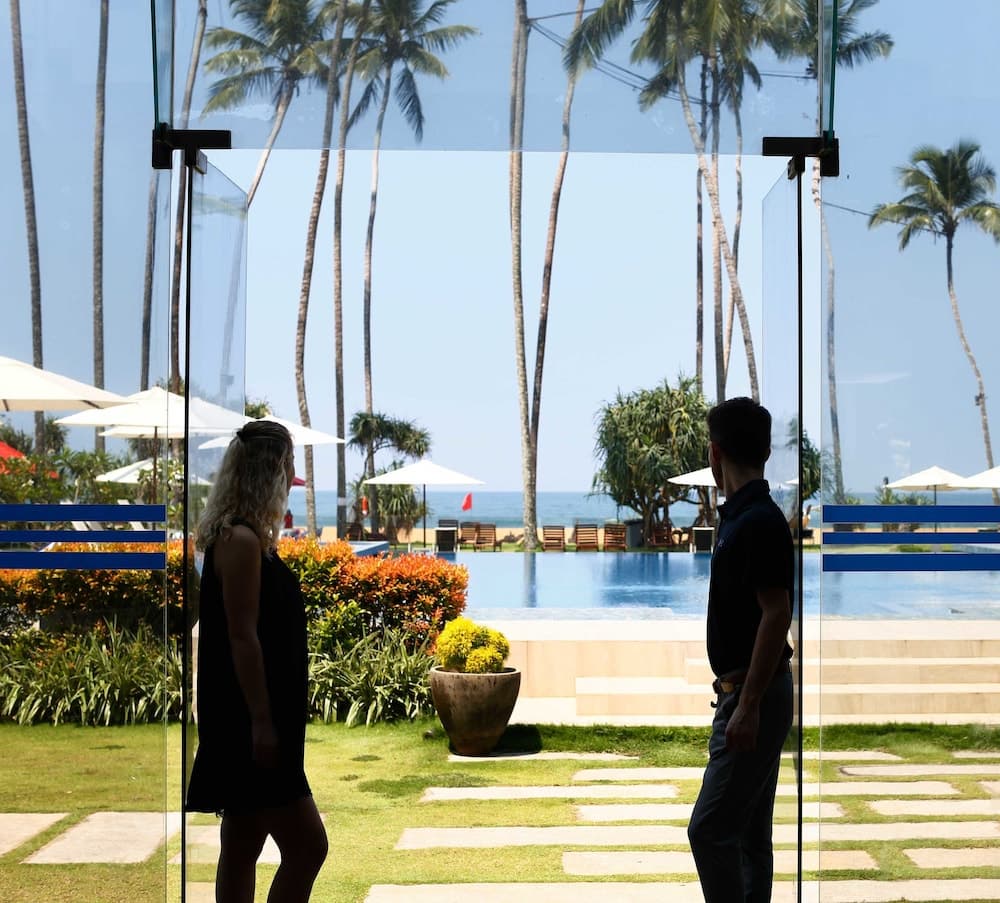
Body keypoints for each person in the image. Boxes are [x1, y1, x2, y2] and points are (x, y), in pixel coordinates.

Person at [186, 420, 328, 902]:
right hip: (252, 718)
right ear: (272, 470)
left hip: (249, 715)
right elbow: (242, 636)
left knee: (242, 843)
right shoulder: (242, 541)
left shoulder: (237, 536)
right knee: (307, 847)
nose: (291, 476)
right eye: (289, 464)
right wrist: (263, 722)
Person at [687, 397, 794, 903]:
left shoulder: (758, 521)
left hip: (755, 695)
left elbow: (777, 613)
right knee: (750, 836)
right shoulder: (742, 517)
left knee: (709, 831)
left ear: (715, 453)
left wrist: (747, 706)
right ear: (766, 451)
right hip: (750, 693)